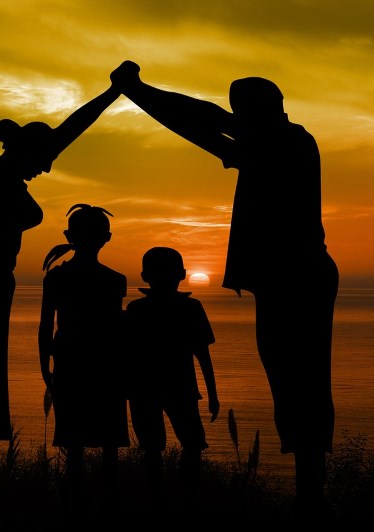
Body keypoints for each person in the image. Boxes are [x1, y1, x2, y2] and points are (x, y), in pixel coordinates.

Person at [111, 61, 339, 517]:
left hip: (298, 279)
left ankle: (310, 497)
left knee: (301, 385)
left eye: (243, 109)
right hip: (289, 279)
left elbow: (203, 125)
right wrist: (140, 92)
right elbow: (208, 117)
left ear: (264, 110)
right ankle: (308, 489)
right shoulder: (277, 138)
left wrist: (138, 92)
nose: (236, 117)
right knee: (291, 382)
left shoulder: (283, 142)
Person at [0, 83, 120, 525]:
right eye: (44, 161)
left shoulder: (0, 175)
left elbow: (64, 133)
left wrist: (112, 93)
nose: (47, 168)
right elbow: (39, 178)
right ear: (26, 153)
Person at [38, 204, 129, 514]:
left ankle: (73, 508)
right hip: (106, 365)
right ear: (108, 237)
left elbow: (45, 326)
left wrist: (44, 367)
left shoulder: (57, 278)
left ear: (68, 236)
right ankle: (108, 507)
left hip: (71, 363)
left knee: (74, 446)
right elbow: (118, 328)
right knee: (108, 447)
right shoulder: (115, 280)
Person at [124, 246, 220, 508]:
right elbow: (203, 355)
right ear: (183, 274)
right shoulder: (188, 308)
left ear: (144, 276)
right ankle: (182, 499)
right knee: (184, 446)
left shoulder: (138, 310)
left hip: (151, 389)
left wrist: (212, 394)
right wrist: (212, 394)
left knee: (164, 448)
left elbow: (126, 355)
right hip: (172, 388)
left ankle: (166, 498)